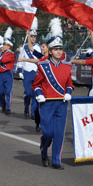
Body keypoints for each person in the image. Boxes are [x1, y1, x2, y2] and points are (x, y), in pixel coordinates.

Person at [32, 18, 74, 170]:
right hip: (47, 103)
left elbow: (69, 84)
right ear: (49, 51)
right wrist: (39, 94)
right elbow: (36, 85)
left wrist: (68, 92)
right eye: (55, 49)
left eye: (60, 49)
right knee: (48, 132)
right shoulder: (43, 66)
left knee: (59, 134)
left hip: (62, 104)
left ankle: (56, 160)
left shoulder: (67, 67)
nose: (58, 51)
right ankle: (44, 150)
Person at [17, 17, 42, 119]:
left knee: (35, 94)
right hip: (27, 73)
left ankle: (33, 113)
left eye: (34, 37)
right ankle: (26, 107)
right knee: (28, 93)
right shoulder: (24, 47)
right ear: (28, 36)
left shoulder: (38, 47)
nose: (33, 38)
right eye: (31, 36)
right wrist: (20, 71)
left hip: (36, 73)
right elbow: (20, 60)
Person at [0, 27, 16, 114]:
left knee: (8, 91)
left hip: (8, 73)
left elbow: (3, 60)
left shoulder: (11, 54)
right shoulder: (2, 53)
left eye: (6, 45)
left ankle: (8, 108)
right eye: (4, 44)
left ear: (9, 46)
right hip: (1, 74)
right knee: (1, 91)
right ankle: (2, 104)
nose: (4, 46)